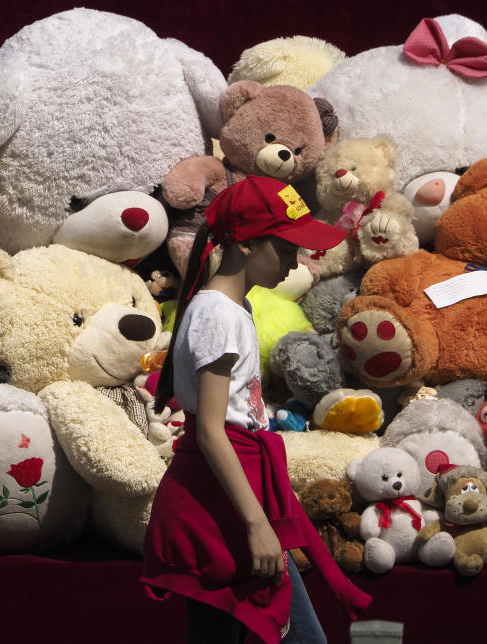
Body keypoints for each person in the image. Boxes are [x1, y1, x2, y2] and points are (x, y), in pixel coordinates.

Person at [140, 176, 372, 644]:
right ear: (244, 244)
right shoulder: (220, 314)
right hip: (223, 494)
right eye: (286, 250)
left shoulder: (232, 308)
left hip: (238, 483)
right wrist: (257, 524)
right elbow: (209, 429)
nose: (294, 264)